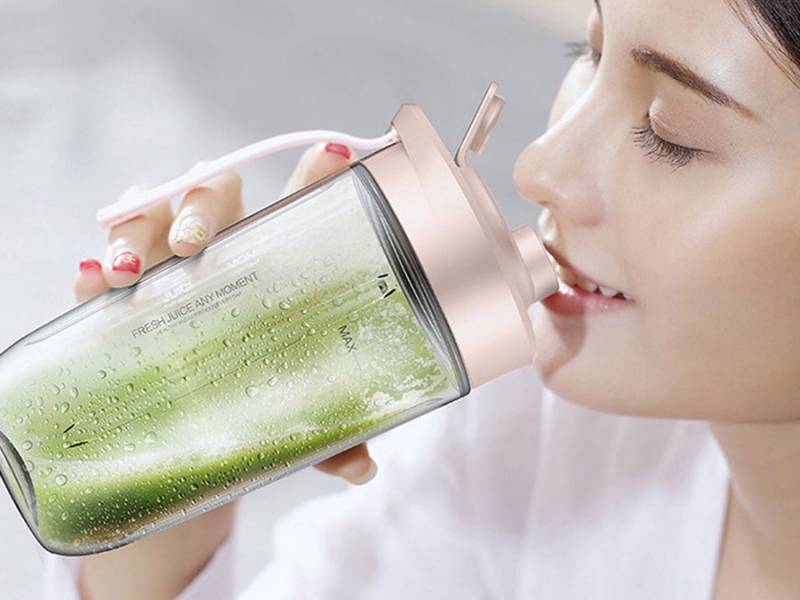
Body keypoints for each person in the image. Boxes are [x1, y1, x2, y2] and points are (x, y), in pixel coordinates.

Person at [43, 0, 800, 597]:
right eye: (590, 51)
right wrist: (164, 526)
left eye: (672, 132)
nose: (538, 168)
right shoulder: (529, 439)